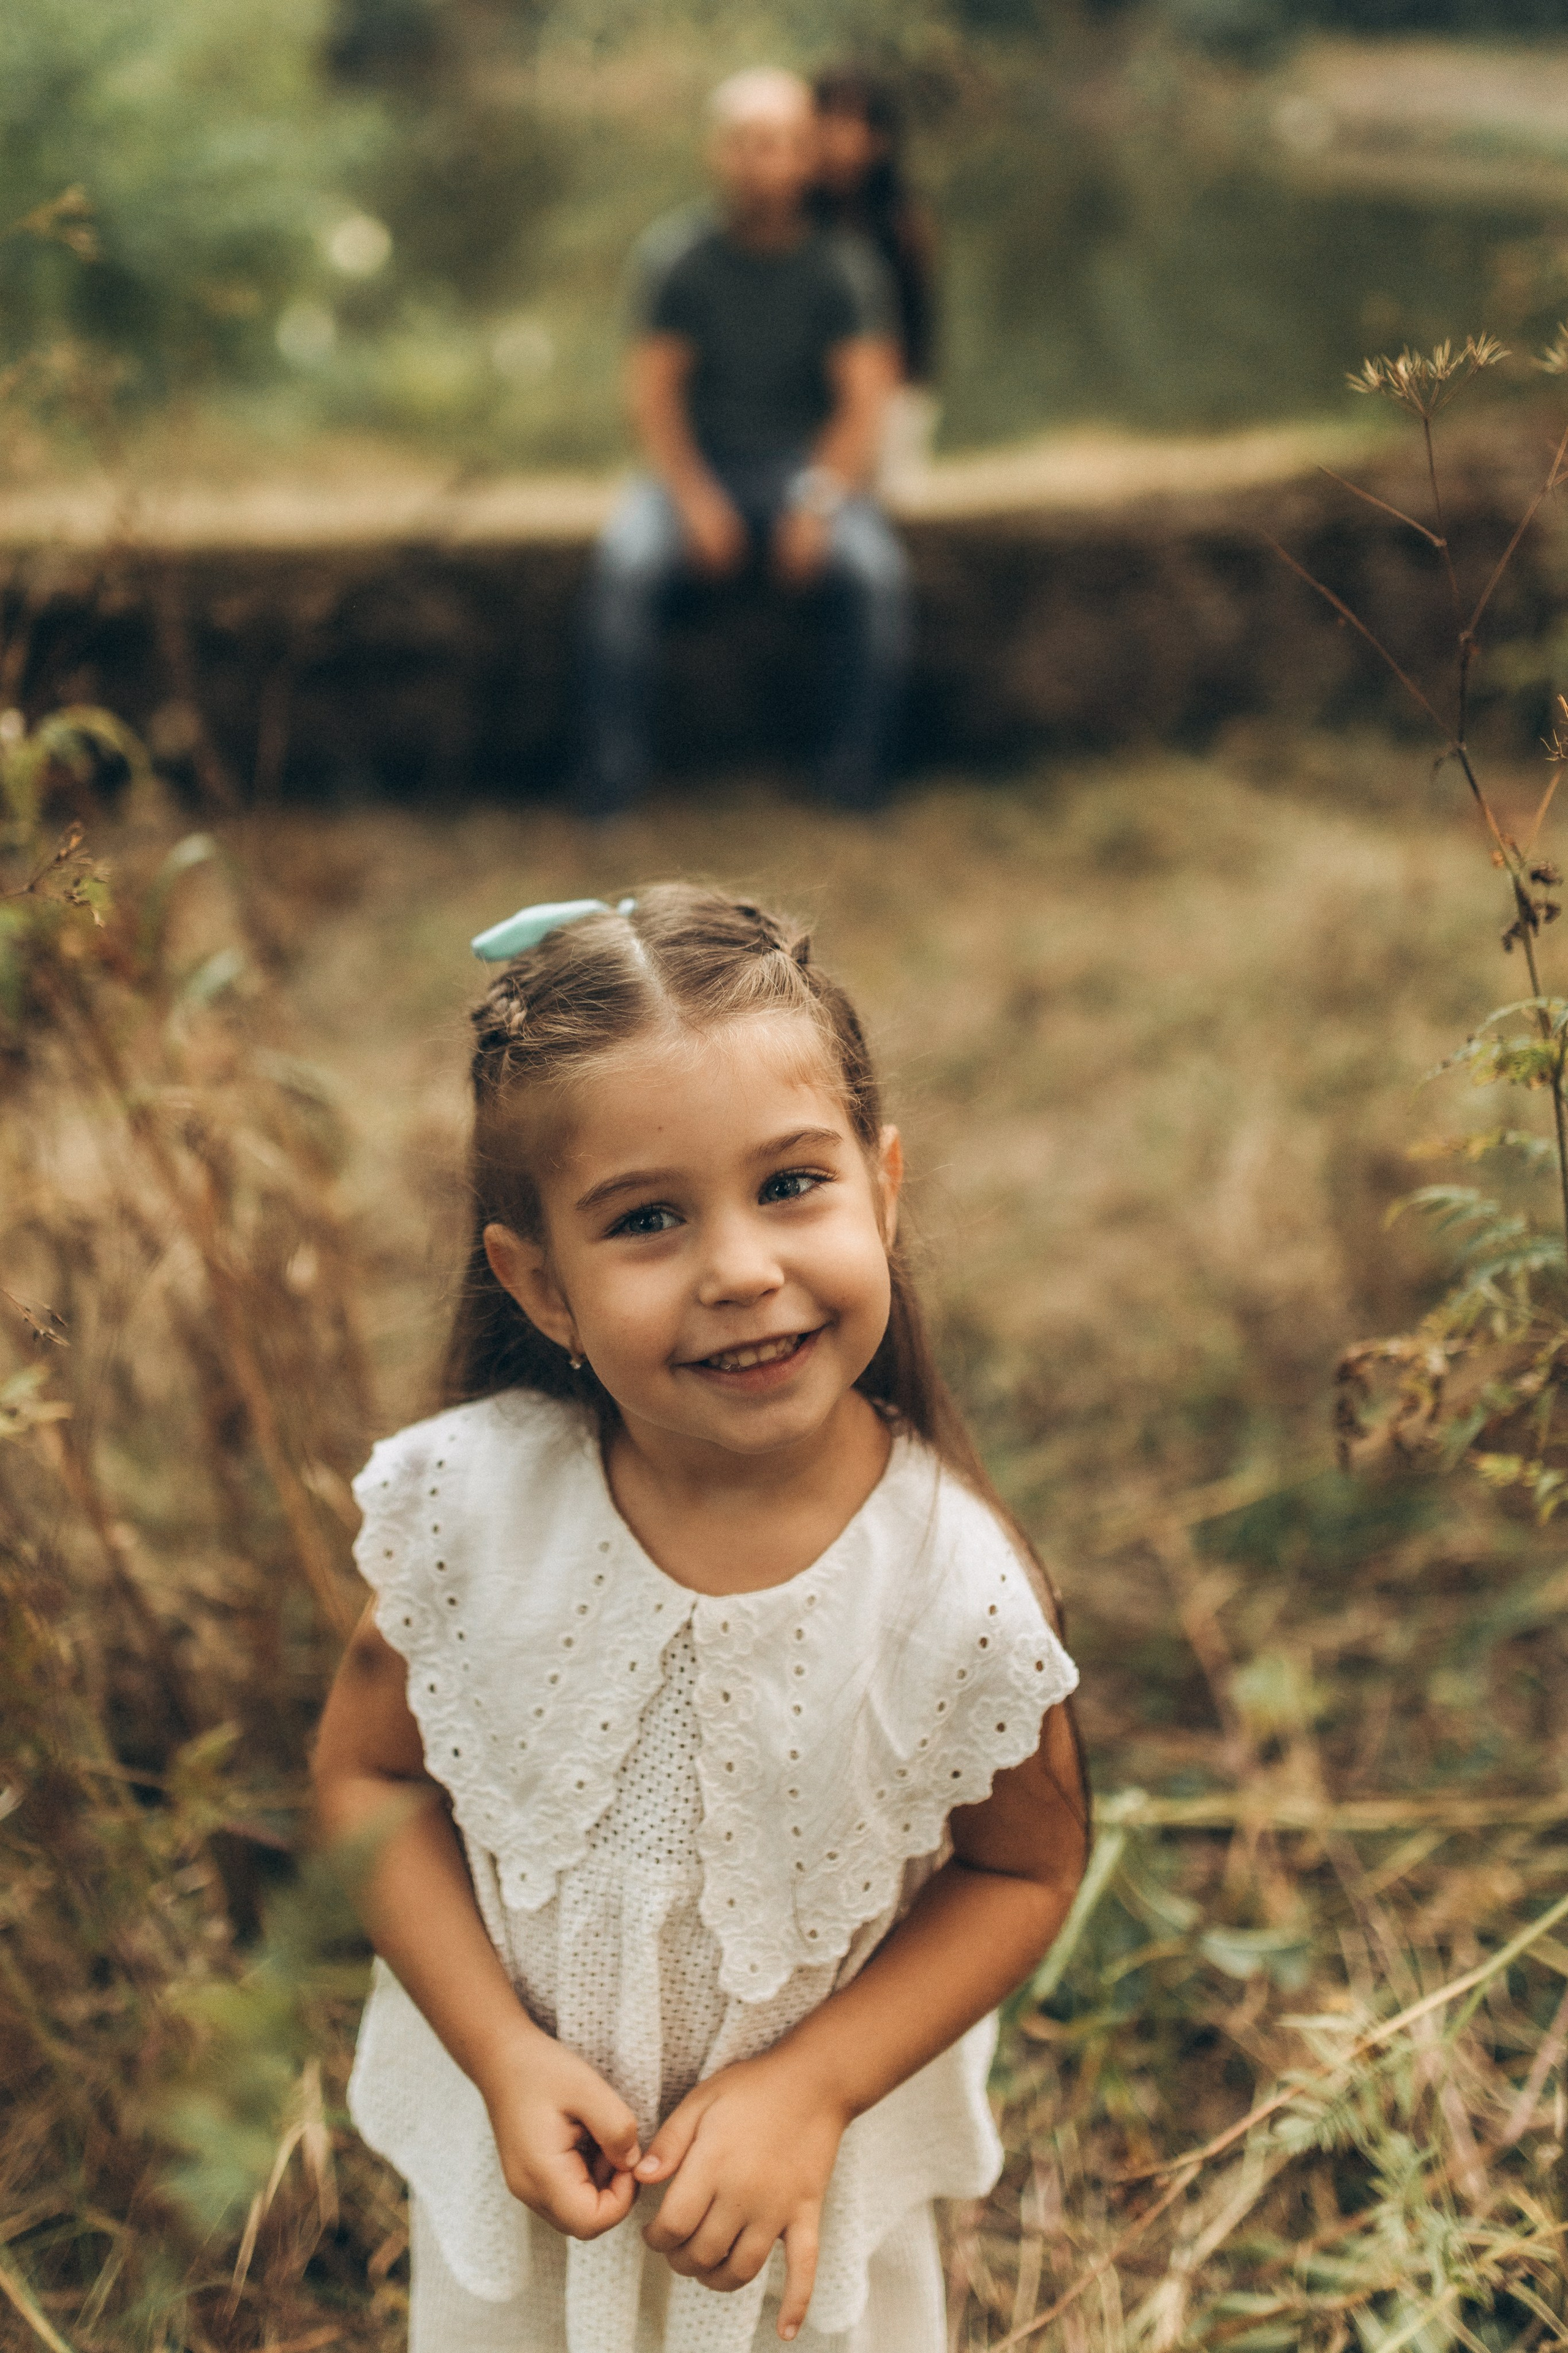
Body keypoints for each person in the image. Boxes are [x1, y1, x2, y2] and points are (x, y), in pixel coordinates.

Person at [314, 885, 1088, 2353]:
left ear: (883, 1184)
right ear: (537, 1279)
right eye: (649, 1218)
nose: (738, 1266)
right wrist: (497, 2051)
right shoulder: (470, 1511)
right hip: (536, 2187)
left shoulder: (951, 1584)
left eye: (790, 1185)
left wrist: (814, 2084)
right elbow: (369, 1776)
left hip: (784, 2225)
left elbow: (1024, 1869)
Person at [580, 70, 911, 816]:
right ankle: (611, 779)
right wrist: (695, 503)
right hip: (698, 467)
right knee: (623, 568)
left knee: (874, 574)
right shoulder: (676, 259)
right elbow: (654, 401)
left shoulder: (844, 268)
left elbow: (862, 407)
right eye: (749, 146)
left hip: (800, 468)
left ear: (806, 158)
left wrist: (817, 503)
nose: (766, 164)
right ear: (718, 153)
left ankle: (855, 776)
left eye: (784, 146)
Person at [808, 67, 940, 491]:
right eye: (826, 119)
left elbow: (915, 335)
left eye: (852, 121)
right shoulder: (795, 220)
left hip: (889, 396)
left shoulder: (901, 224)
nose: (836, 136)